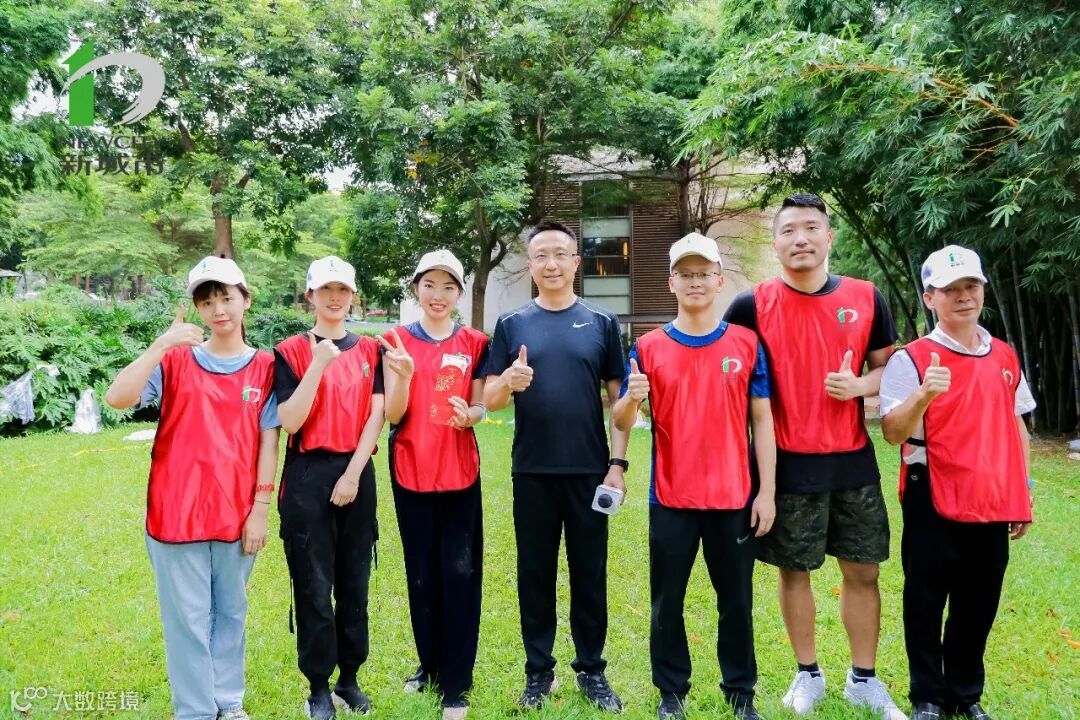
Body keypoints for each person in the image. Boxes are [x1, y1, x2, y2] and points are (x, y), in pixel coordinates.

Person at [724, 193, 905, 719]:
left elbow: (889, 369)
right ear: (775, 242)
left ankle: (864, 679)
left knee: (864, 572)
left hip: (851, 459)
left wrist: (860, 386)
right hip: (785, 462)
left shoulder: (866, 296)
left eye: (810, 228)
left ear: (829, 237)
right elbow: (728, 376)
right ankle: (808, 674)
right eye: (788, 230)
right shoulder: (751, 305)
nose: (800, 239)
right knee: (794, 570)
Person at [105, 256, 279, 720]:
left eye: (226, 298)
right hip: (174, 512)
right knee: (187, 618)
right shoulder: (175, 361)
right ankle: (196, 710)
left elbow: (269, 440)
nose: (218, 309)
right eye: (207, 302)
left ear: (246, 300)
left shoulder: (265, 367)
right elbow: (117, 398)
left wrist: (261, 507)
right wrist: (161, 344)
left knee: (232, 612)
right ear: (197, 309)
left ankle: (228, 701)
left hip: (236, 512)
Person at [612, 233, 777, 720]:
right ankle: (671, 693)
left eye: (704, 273)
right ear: (671, 283)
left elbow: (762, 420)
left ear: (720, 280)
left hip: (734, 497)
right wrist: (632, 397)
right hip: (672, 498)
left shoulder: (746, 344)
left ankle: (741, 693)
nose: (695, 282)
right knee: (667, 602)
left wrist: (766, 491)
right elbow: (621, 420)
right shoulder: (647, 348)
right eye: (685, 274)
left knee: (737, 602)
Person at [880, 245, 1034, 720]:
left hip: (991, 492)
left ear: (983, 289)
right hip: (932, 488)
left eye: (971, 286)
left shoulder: (1004, 355)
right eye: (950, 290)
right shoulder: (912, 358)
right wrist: (924, 394)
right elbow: (893, 432)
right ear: (930, 298)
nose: (963, 296)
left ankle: (966, 693)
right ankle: (928, 696)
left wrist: (1023, 491)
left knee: (979, 599)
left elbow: (1017, 425)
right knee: (925, 597)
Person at [483, 220, 630, 712]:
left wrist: (617, 464)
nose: (551, 264)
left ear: (575, 262)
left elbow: (620, 404)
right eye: (541, 255)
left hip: (589, 472)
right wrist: (509, 380)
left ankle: (592, 670)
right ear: (530, 264)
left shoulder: (602, 322)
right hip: (532, 471)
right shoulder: (511, 324)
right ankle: (538, 673)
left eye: (560, 254)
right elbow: (490, 398)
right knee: (535, 575)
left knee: (590, 574)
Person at [380, 250, 489, 720]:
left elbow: (481, 404)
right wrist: (404, 376)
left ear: (459, 293)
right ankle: (429, 665)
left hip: (460, 472)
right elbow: (393, 413)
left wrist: (473, 416)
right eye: (429, 285)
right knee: (421, 574)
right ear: (416, 289)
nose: (438, 295)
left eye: (448, 286)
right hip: (411, 470)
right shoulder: (396, 341)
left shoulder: (476, 342)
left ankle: (457, 682)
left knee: (461, 575)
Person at [274, 256, 384, 720]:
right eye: (325, 290)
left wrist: (353, 474)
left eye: (342, 290)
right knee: (314, 586)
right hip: (307, 474)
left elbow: (377, 414)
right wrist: (319, 362)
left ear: (353, 295)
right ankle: (318, 685)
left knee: (354, 583)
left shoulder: (371, 350)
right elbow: (290, 419)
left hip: (356, 469)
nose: (335, 298)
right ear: (310, 295)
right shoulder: (290, 351)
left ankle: (349, 678)